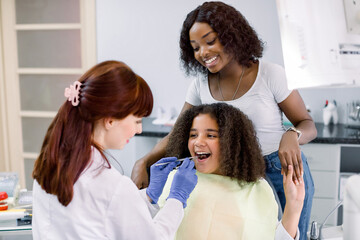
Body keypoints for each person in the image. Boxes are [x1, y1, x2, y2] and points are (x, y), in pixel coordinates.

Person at [131, 2, 316, 239]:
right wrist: (143, 162)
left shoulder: (271, 74)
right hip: (234, 172)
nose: (203, 53)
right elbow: (177, 134)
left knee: (292, 232)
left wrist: (292, 135)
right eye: (195, 47)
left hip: (278, 169)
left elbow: (307, 124)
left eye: (210, 42)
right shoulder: (199, 85)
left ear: (232, 36)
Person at [32, 60, 198, 240]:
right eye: (137, 121)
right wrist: (176, 199)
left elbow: (104, 215)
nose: (139, 130)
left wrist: (148, 196)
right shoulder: (111, 185)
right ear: (110, 120)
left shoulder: (50, 164)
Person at [158, 103, 304, 240]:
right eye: (193, 135)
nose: (198, 142)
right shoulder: (177, 181)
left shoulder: (257, 190)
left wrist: (294, 207)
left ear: (231, 143)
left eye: (210, 135)